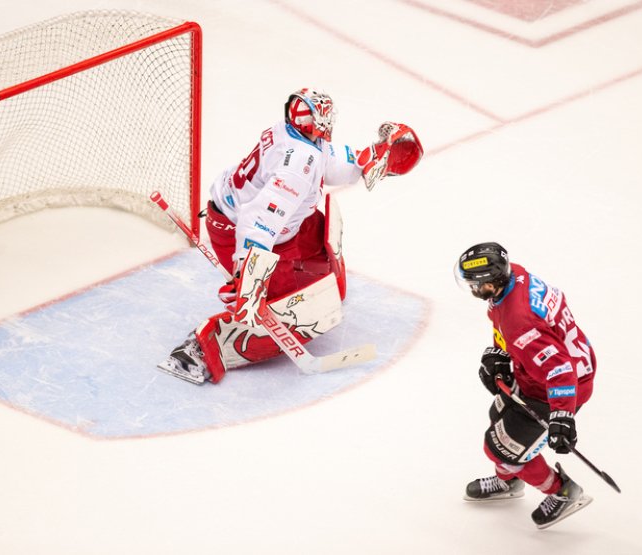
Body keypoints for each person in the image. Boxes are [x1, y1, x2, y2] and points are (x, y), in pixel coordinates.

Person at [158, 88, 422, 385]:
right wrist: (248, 275)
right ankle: (200, 351)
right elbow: (258, 220)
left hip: (272, 222)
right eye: (325, 117)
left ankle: (283, 287)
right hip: (241, 234)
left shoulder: (296, 136)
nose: (330, 121)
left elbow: (327, 162)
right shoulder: (297, 164)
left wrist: (369, 158)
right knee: (298, 312)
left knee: (320, 249)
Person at [454, 242, 597, 529]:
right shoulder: (514, 277)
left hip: (553, 389)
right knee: (498, 419)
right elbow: (515, 330)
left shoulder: (520, 321)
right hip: (536, 373)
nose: (471, 290)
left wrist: (561, 416)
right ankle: (511, 477)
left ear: (491, 283)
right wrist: (503, 355)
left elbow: (559, 369)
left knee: (500, 449)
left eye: (474, 285)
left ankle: (563, 492)